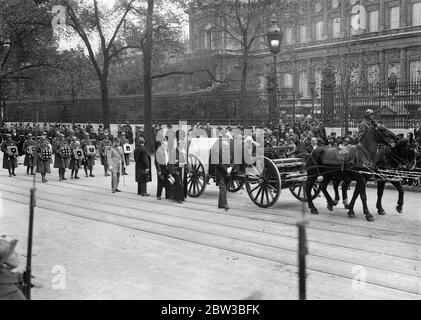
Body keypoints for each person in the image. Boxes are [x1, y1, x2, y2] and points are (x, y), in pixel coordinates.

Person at [213, 140, 233, 211]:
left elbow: (232, 161)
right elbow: (218, 163)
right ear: (222, 146)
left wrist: (231, 167)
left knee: (226, 188)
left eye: (228, 146)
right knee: (223, 188)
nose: (227, 147)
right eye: (226, 146)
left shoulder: (228, 152)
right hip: (220, 173)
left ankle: (220, 204)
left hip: (227, 173)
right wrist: (226, 169)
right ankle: (225, 204)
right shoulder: (217, 152)